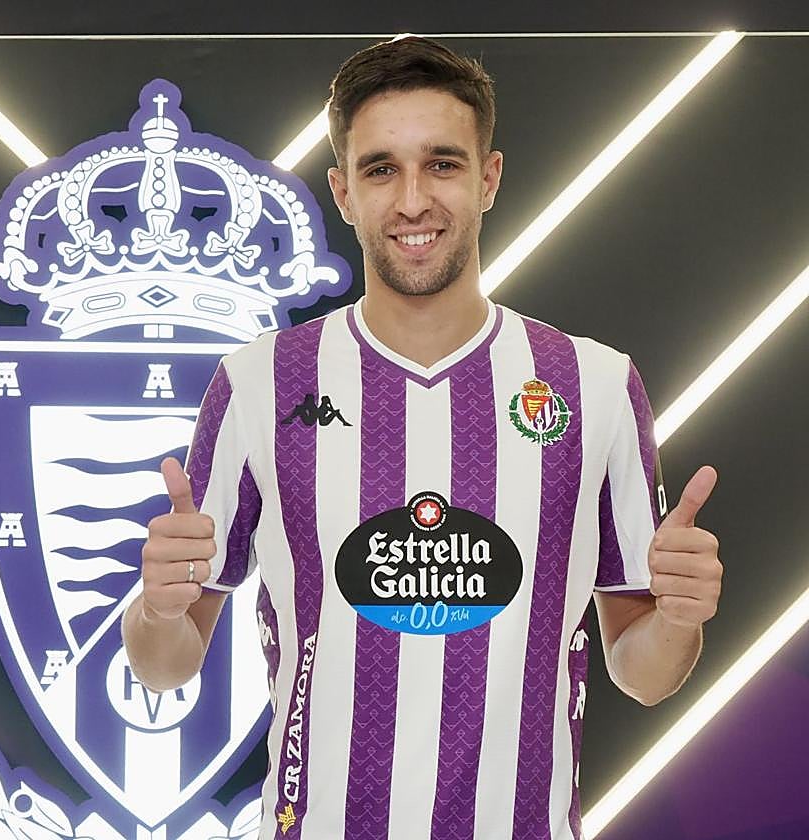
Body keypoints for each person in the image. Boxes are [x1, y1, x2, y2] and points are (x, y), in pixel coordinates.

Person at [121, 36, 723, 840]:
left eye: (442, 163)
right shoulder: (259, 384)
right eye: (380, 168)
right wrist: (157, 608)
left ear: (489, 178)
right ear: (341, 189)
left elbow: (643, 674)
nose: (412, 201)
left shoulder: (595, 385)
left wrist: (679, 618)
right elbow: (166, 663)